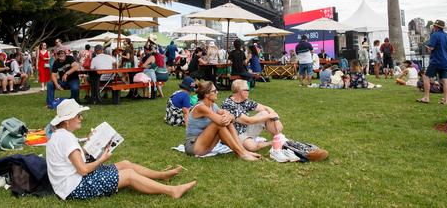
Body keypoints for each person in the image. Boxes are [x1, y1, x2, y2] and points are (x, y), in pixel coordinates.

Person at [46, 99, 196, 200]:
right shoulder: (66, 139)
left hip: (69, 183)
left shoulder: (60, 135)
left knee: (125, 163)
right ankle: (172, 191)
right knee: (128, 175)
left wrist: (90, 144)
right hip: (74, 187)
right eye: (78, 115)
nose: (81, 118)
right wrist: (102, 160)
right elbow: (83, 170)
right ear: (66, 121)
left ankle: (161, 175)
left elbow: (74, 158)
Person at [184, 81, 261, 161]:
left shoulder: (213, 106)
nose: (217, 92)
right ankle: (242, 153)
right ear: (206, 94)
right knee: (217, 124)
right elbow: (221, 121)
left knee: (228, 123)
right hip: (194, 147)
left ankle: (243, 151)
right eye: (214, 91)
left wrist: (230, 117)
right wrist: (229, 117)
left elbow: (227, 113)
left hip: (206, 146)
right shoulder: (200, 107)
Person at [221, 80, 285, 153]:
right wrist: (270, 116)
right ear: (241, 92)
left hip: (246, 128)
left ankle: (279, 137)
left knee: (265, 113)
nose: (249, 91)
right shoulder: (228, 104)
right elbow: (248, 120)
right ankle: (273, 142)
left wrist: (276, 119)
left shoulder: (245, 101)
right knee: (252, 147)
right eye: (247, 90)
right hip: (236, 134)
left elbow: (266, 108)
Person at [418, 20, 447, 104]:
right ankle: (446, 99)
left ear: (436, 27)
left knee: (426, 77)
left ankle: (426, 97)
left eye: (434, 26)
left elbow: (431, 48)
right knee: (444, 80)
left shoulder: (435, 35)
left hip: (437, 60)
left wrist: (428, 47)